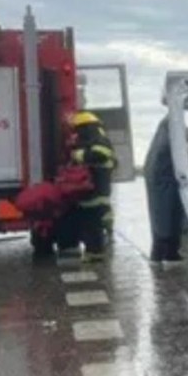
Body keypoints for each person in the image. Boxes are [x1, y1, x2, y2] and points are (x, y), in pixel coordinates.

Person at [66, 111, 117, 262]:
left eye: (78, 130)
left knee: (93, 222)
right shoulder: (97, 138)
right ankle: (95, 249)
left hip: (96, 189)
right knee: (92, 220)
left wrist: (78, 155)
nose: (76, 134)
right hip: (94, 189)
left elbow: (100, 155)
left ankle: (95, 253)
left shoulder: (99, 141)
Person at [143, 116, 188, 263]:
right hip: (163, 184)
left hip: (166, 183)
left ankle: (170, 252)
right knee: (164, 220)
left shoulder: (162, 138)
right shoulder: (167, 141)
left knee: (169, 218)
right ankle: (160, 254)